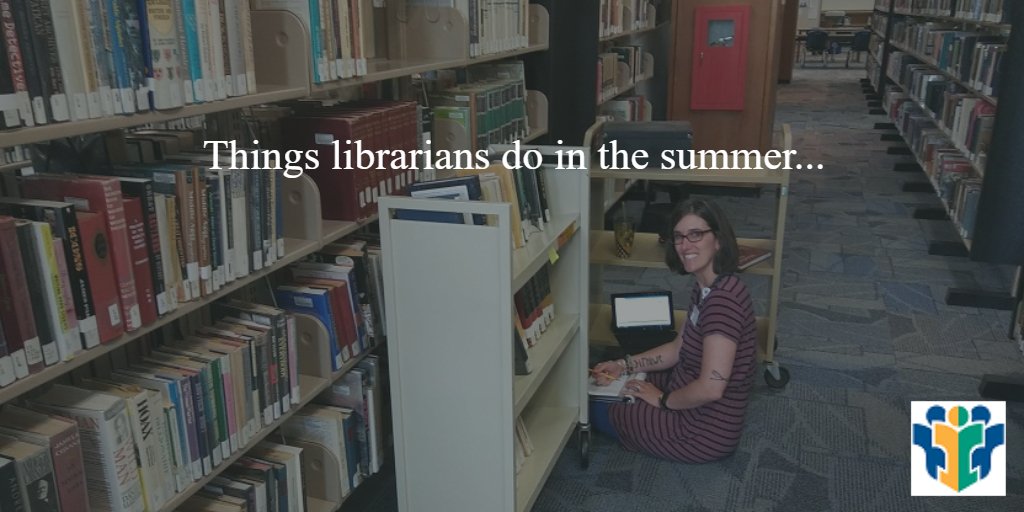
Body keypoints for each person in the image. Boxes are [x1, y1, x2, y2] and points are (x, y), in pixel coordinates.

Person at [590, 198, 758, 463]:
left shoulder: (722, 302)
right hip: (690, 397)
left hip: (700, 431)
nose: (685, 246)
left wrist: (664, 400)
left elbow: (711, 388)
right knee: (628, 383)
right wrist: (623, 365)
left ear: (719, 240)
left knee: (594, 407)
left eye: (696, 235)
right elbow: (677, 349)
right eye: (679, 237)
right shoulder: (708, 286)